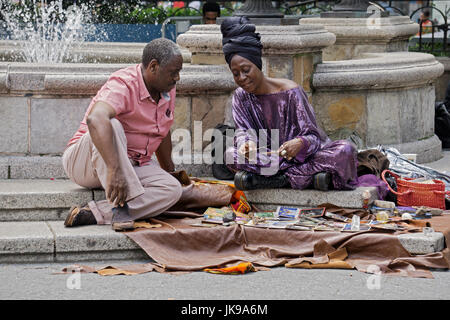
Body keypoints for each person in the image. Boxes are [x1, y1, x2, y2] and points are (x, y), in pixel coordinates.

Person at [221, 17, 359, 191]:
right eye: (235, 74)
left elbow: (313, 137)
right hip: (267, 156)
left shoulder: (291, 91)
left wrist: (300, 143)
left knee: (345, 151)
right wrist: (245, 145)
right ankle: (306, 177)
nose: (241, 78)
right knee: (229, 155)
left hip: (301, 157)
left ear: (258, 64)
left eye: (246, 70)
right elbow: (243, 131)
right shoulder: (241, 96)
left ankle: (274, 178)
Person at [62, 38, 184, 230]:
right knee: (111, 123)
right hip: (85, 162)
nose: (177, 78)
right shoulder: (124, 83)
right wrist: (115, 170)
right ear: (153, 67)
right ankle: (121, 205)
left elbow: (163, 128)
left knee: (172, 189)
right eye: (173, 72)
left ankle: (96, 212)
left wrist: (169, 170)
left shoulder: (167, 89)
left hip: (131, 163)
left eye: (179, 72)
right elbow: (95, 119)